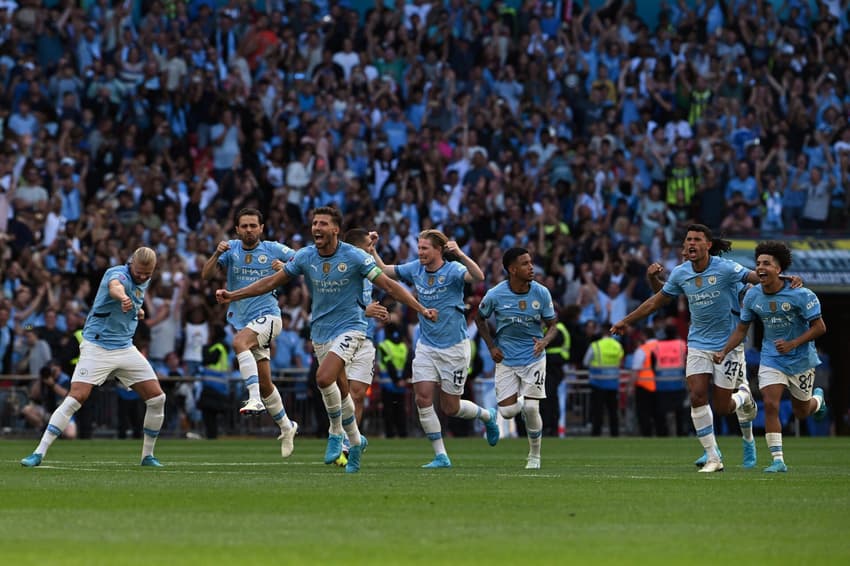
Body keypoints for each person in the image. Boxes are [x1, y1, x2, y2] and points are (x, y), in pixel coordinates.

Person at [216, 206, 438, 473]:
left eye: (322, 223)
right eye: (314, 223)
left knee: (323, 378)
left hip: (352, 328)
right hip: (321, 331)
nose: (316, 228)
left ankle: (335, 434)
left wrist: (421, 309)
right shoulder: (306, 256)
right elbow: (271, 282)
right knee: (342, 391)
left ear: (335, 229)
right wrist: (234, 295)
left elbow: (389, 286)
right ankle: (355, 442)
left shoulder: (355, 256)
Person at [611, 224, 770, 472]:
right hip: (697, 342)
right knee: (696, 395)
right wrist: (626, 320)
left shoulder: (726, 268)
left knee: (721, 406)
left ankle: (743, 399)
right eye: (688, 240)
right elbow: (659, 300)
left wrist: (783, 281)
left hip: (728, 344)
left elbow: (756, 278)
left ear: (708, 245)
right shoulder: (681, 273)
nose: (691, 243)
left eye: (697, 239)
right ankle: (713, 456)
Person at [21, 247, 167, 468]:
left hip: (125, 347)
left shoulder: (143, 279)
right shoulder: (116, 273)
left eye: (148, 274)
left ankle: (147, 456)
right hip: (97, 346)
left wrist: (137, 310)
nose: (143, 277)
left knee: (157, 399)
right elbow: (115, 288)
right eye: (139, 272)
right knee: (76, 398)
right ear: (131, 263)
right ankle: (38, 453)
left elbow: (130, 302)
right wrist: (124, 298)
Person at [372, 228, 500, 468]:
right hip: (427, 346)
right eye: (419, 248)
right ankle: (441, 455)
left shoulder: (453, 270)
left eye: (424, 248)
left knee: (450, 407)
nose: (420, 252)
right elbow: (384, 271)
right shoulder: (415, 269)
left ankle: (487, 416)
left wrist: (460, 254)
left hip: (454, 347)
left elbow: (479, 276)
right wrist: (372, 251)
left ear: (439, 250)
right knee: (422, 398)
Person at [713, 241, 827, 473]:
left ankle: (818, 401)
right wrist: (724, 351)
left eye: (767, 263)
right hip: (771, 358)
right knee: (771, 404)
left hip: (801, 360)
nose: (761, 267)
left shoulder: (801, 294)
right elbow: (742, 329)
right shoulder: (753, 295)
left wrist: (793, 343)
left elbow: (820, 327)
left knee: (801, 411)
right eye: (758, 264)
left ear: (779, 269)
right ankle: (778, 459)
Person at [202, 207, 299, 457]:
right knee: (266, 383)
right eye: (244, 226)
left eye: (253, 225)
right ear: (237, 229)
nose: (248, 230)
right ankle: (287, 427)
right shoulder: (231, 249)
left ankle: (253, 398)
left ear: (261, 228)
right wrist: (216, 253)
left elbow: (303, 260)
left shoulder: (273, 249)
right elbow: (206, 275)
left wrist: (286, 267)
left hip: (269, 316)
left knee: (238, 343)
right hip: (245, 321)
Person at [475, 247, 558, 469]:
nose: (531, 267)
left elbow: (553, 325)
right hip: (506, 359)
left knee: (532, 408)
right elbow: (479, 319)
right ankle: (521, 402)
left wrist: (544, 341)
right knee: (508, 412)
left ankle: (534, 456)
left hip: (534, 356)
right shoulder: (495, 294)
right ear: (512, 269)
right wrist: (491, 346)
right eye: (525, 264)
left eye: (531, 262)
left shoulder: (541, 292)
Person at [20, 361, 78, 440]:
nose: (53, 372)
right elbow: (33, 395)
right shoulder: (45, 380)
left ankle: (56, 434)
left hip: (64, 413)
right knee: (27, 410)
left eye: (55, 370)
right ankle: (43, 429)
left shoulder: (65, 379)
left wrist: (53, 384)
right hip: (47, 412)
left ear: (60, 369)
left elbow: (67, 394)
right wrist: (41, 379)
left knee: (70, 435)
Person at [583, 332, 625, 437]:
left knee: (598, 411)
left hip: (598, 383)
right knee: (613, 411)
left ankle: (596, 433)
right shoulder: (617, 345)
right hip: (613, 383)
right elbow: (620, 361)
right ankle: (615, 434)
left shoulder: (595, 345)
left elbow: (586, 362)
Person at [377, 323, 410, 438]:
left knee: (389, 411)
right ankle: (402, 433)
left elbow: (388, 363)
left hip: (388, 383)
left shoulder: (384, 345)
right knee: (400, 410)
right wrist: (403, 379)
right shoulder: (403, 347)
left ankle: (390, 433)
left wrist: (396, 380)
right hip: (400, 384)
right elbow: (408, 364)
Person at [542, 307, 571, 437]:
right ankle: (550, 426)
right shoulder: (550, 329)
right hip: (548, 367)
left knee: (549, 397)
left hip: (553, 367)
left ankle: (550, 426)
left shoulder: (558, 330)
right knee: (549, 398)